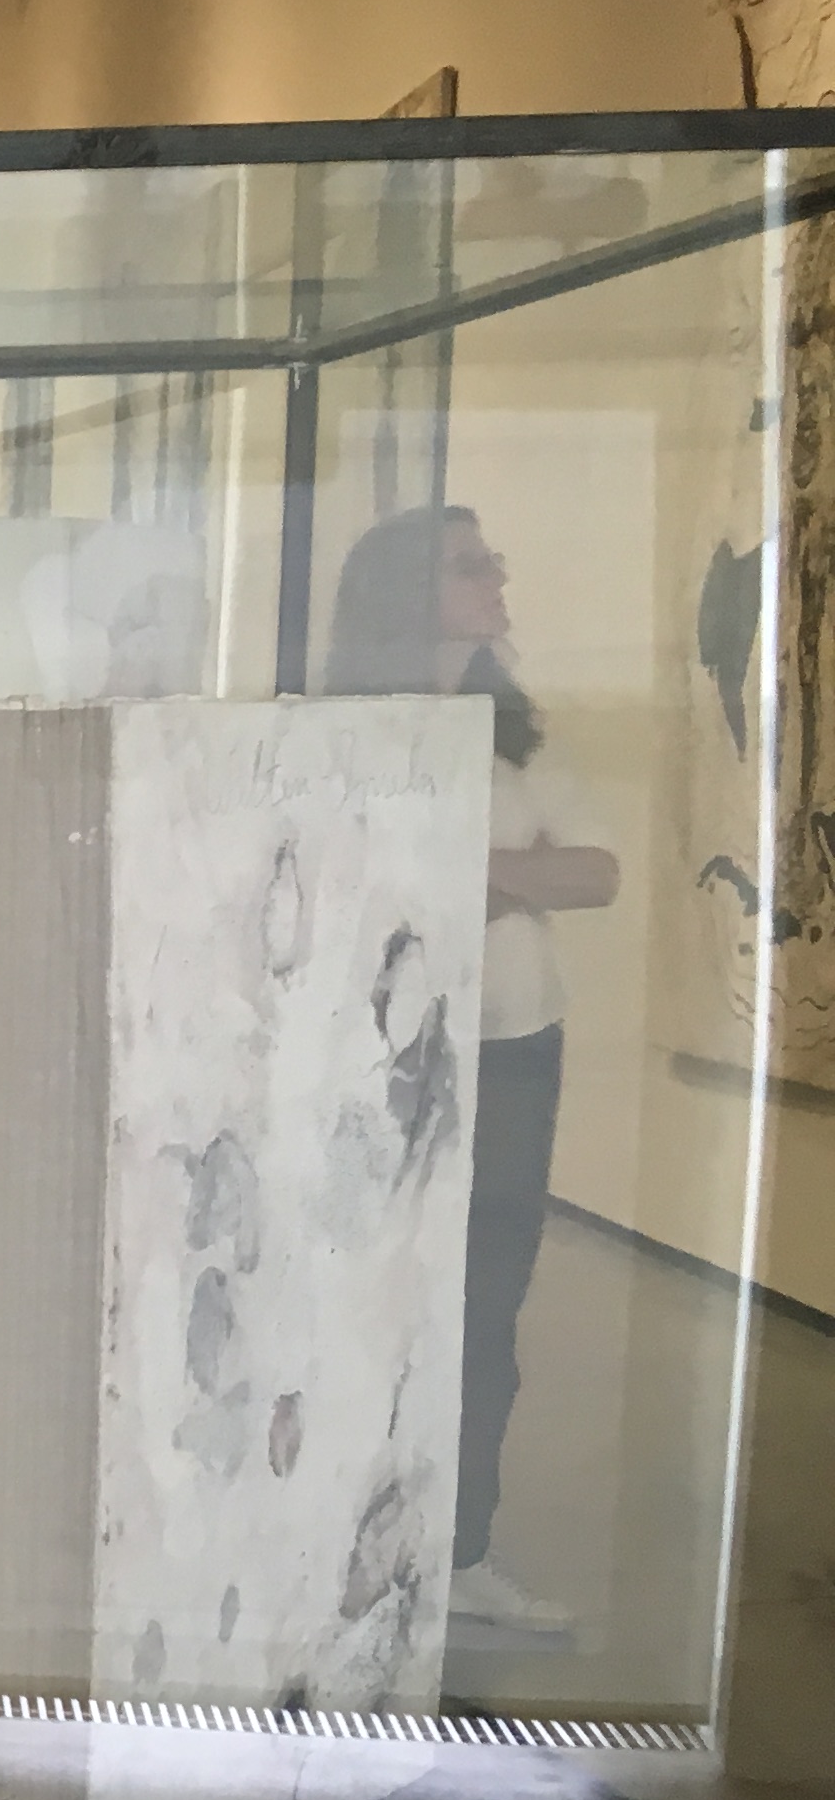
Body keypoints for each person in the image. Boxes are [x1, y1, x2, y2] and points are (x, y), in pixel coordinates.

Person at [324, 503, 621, 1643]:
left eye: (492, 560)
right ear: (407, 590)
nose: (497, 579)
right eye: (469, 566)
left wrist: (464, 870)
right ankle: (347, 1539)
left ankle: (462, 1553)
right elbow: (359, 882)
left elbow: (596, 874)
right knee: (373, 1295)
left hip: (515, 1047)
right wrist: (512, 872)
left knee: (487, 1306)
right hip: (384, 1050)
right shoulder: (350, 729)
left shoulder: (518, 736)